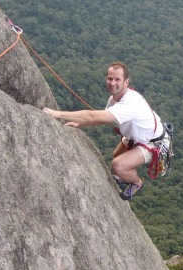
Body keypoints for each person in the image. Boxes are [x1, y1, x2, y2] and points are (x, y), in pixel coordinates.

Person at [43, 61, 164, 200]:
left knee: (118, 166)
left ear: (126, 82)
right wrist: (79, 123)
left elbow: (92, 115)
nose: (112, 83)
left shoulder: (129, 104)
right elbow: (104, 118)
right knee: (116, 154)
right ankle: (125, 173)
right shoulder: (114, 99)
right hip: (137, 136)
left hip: (152, 142)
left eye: (117, 79)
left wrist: (58, 114)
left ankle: (136, 182)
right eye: (110, 78)